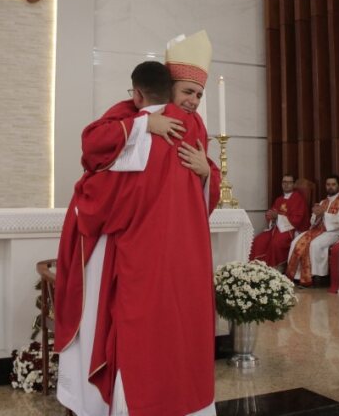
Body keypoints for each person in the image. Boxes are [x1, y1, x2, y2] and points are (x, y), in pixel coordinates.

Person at [56, 31, 221, 415]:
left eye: (199, 95)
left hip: (176, 249)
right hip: (149, 248)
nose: (192, 101)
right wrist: (142, 126)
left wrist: (206, 173)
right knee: (156, 333)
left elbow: (97, 191)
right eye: (187, 92)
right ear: (166, 86)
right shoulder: (131, 115)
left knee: (165, 331)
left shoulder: (191, 126)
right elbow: (96, 147)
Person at [286, 174, 339, 287]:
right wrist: (317, 215)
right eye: (328, 184)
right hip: (319, 230)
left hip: (336, 233)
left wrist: (324, 214)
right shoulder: (322, 202)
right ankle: (296, 276)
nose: (330, 187)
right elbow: (313, 222)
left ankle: (317, 277)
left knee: (315, 244)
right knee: (295, 242)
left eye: (333, 184)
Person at [249, 176, 310, 267]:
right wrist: (271, 217)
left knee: (276, 243)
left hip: (291, 229)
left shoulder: (298, 199)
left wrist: (277, 216)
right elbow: (273, 213)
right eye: (284, 182)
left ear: (293, 185)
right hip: (277, 228)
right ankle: (256, 267)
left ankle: (274, 267)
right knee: (258, 241)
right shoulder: (279, 199)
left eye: (289, 182)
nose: (286, 184)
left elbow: (297, 219)